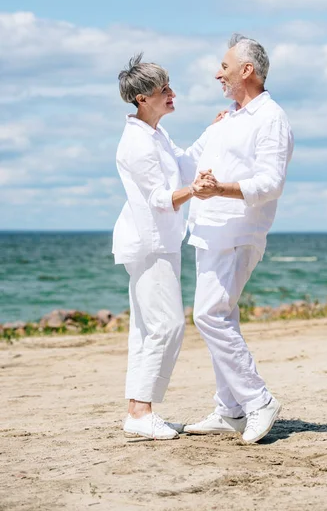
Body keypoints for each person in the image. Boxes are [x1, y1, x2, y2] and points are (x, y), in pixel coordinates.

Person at [184, 34, 294, 444]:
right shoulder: (228, 118)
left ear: (247, 70)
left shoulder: (271, 118)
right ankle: (229, 409)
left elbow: (270, 182)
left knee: (209, 315)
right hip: (207, 228)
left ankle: (258, 400)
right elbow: (193, 164)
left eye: (225, 67)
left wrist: (221, 190)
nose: (218, 73)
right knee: (221, 316)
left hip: (237, 229)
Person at [112, 54, 217, 441]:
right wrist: (194, 192)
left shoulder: (156, 134)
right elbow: (159, 198)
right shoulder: (136, 144)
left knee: (146, 328)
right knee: (167, 325)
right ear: (142, 98)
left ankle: (137, 412)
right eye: (164, 90)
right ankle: (141, 412)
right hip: (148, 241)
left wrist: (213, 131)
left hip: (162, 240)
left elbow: (185, 164)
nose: (172, 93)